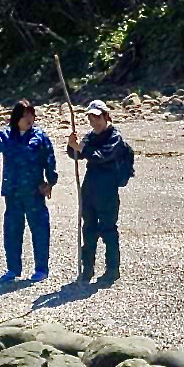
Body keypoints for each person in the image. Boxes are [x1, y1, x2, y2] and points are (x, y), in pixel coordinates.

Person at [0, 99, 58, 283]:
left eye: (31, 115)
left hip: (34, 192)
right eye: (25, 115)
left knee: (39, 230)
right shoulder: (8, 135)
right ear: (17, 118)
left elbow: (49, 159)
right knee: (12, 232)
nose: (29, 119)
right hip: (13, 193)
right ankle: (13, 269)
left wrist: (50, 182)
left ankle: (41, 269)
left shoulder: (40, 137)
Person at [66, 100, 128, 285]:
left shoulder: (114, 137)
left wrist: (80, 148)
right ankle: (88, 268)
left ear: (106, 116)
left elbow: (101, 156)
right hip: (90, 189)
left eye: (97, 117)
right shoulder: (90, 136)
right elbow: (76, 154)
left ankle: (112, 269)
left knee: (108, 230)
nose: (94, 122)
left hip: (107, 190)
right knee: (89, 229)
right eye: (91, 118)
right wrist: (72, 145)